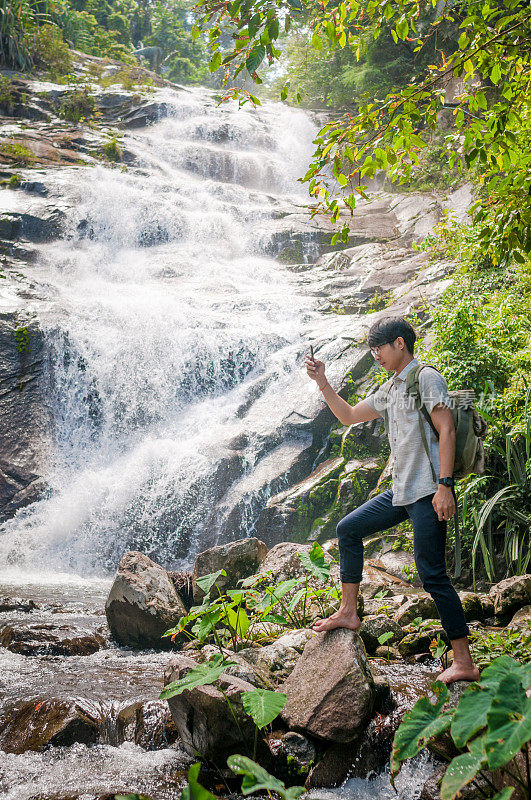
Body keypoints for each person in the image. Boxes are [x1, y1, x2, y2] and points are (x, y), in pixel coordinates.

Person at [306, 316, 479, 684]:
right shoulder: (391, 389)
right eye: (371, 351)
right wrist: (322, 382)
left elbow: (446, 429)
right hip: (402, 491)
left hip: (429, 490)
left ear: (400, 343)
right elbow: (350, 415)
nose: (376, 356)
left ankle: (463, 660)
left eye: (379, 348)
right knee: (348, 529)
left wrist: (445, 486)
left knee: (432, 574)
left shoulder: (425, 378)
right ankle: (349, 611)